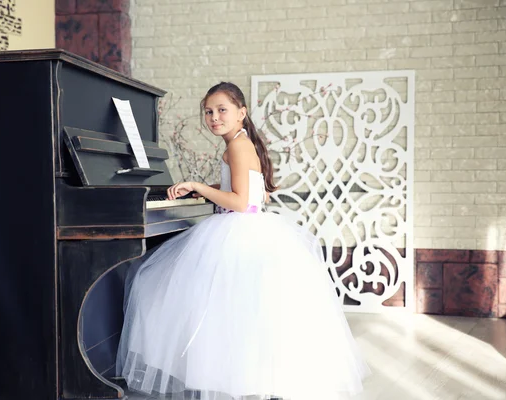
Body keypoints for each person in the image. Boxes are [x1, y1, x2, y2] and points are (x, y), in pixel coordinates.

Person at [116, 82, 370, 400]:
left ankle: (219, 377)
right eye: (208, 111)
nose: (214, 117)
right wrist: (201, 188)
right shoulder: (242, 141)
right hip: (246, 228)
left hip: (238, 230)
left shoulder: (237, 145)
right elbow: (252, 191)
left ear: (242, 112)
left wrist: (198, 184)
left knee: (153, 284)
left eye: (222, 110)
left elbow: (241, 202)